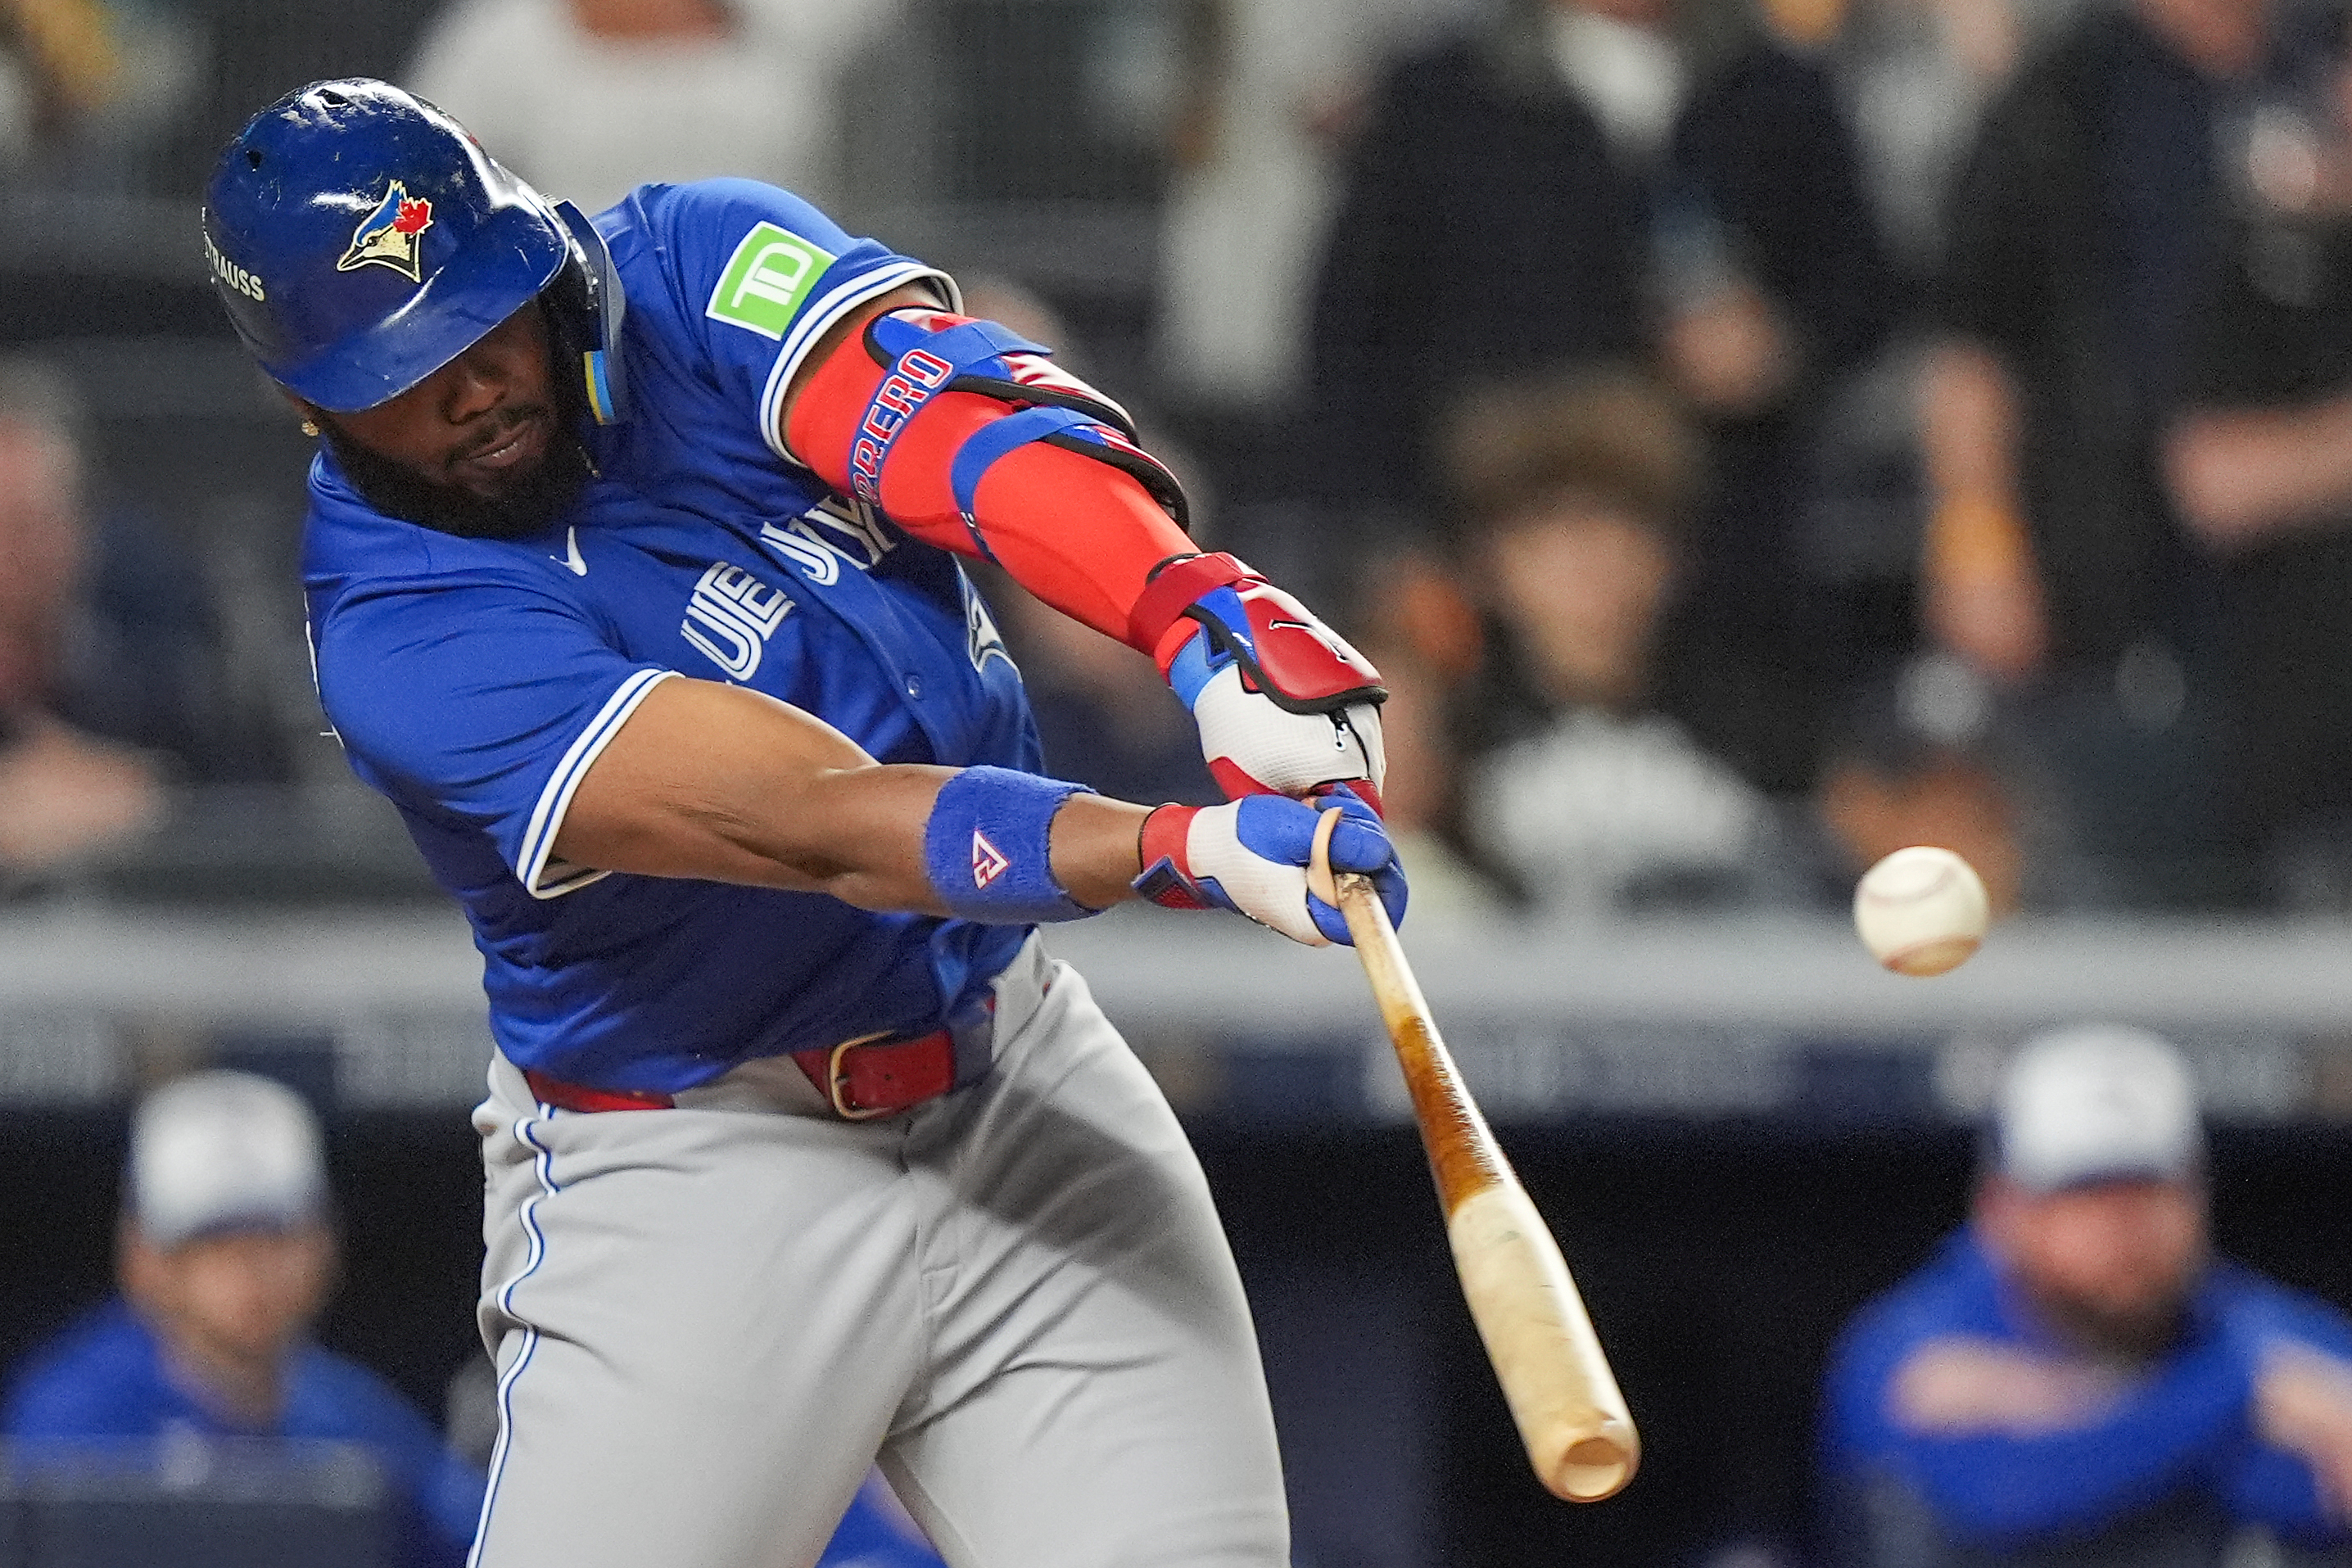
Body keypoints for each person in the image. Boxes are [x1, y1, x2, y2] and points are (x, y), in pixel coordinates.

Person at [199, 79, 1404, 1568]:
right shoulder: (399, 635)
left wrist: (1193, 613)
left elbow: (959, 431)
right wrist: (1181, 849)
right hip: (699, 1165)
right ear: (308, 402)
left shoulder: (692, 263)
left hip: (1011, 1076)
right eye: (403, 371)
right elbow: (819, 822)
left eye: (482, 320)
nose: (470, 387)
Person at [1915, 0, 2331, 905]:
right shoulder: (2068, 95)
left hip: (2306, 599)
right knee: (2131, 899)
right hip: (2112, 585)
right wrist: (1977, 539)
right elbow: (1971, 348)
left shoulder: (2324, 61)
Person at [1821, 1026, 2352, 1566]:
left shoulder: (2246, 1325)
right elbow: (1998, 1497)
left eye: (2148, 1192)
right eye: (2085, 1195)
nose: (2124, 1229)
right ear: (2002, 1208)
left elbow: (2320, 1492)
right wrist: (2238, 1400)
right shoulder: (1914, 1337)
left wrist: (2072, 1409)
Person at [2, 1070, 486, 1567]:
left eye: (273, 1238)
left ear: (322, 1246)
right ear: (145, 1257)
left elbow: (471, 1543)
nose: (250, 1271)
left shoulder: (355, 1421)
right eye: (214, 1243)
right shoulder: (70, 1422)